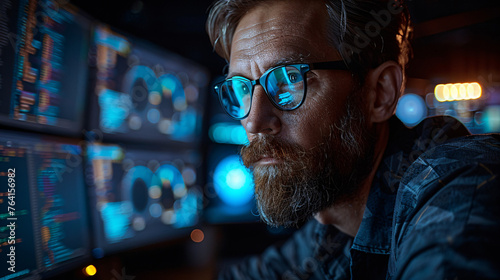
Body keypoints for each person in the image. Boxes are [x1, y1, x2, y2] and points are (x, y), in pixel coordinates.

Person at [206, 0, 500, 279]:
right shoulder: (334, 219)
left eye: (291, 79)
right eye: (241, 88)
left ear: (380, 93)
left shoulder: (458, 186)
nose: (255, 121)